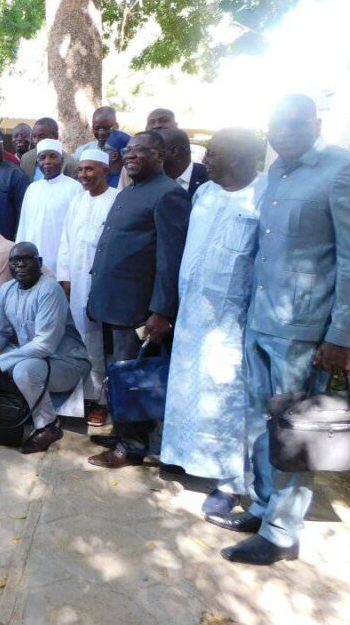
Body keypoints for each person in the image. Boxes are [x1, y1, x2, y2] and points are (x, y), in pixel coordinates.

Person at [211, 95, 350, 566]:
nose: (282, 133)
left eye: (292, 124)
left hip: (306, 330)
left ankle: (282, 533)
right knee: (258, 424)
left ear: (315, 123)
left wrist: (341, 335)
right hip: (260, 321)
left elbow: (349, 260)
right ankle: (264, 507)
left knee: (297, 431)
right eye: (274, 126)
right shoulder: (272, 175)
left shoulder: (340, 170)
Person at [160, 128, 262, 516]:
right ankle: (183, 456)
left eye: (214, 153)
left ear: (236, 158)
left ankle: (230, 482)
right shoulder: (204, 192)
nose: (206, 160)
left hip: (231, 323)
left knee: (226, 401)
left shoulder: (262, 197)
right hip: (191, 316)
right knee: (187, 390)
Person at [87, 130, 191, 469]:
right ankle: (122, 431)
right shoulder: (130, 191)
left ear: (160, 155)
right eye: (128, 150)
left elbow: (169, 259)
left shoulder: (168, 195)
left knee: (131, 375)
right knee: (117, 373)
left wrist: (161, 310)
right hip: (111, 300)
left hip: (136, 307)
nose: (130, 155)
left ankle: (132, 446)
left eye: (140, 150)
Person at [0, 242, 92, 454]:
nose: (20, 264)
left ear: (39, 263)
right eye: (14, 260)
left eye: (26, 259)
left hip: (66, 363)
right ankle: (26, 404)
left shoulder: (50, 290)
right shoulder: (6, 291)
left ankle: (49, 426)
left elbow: (45, 345)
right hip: (37, 358)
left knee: (22, 369)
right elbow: (2, 333)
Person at [56, 149, 119, 426]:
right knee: (75, 340)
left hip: (103, 285)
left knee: (100, 345)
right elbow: (66, 242)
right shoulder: (77, 201)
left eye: (89, 170)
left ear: (105, 171)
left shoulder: (117, 200)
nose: (82, 175)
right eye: (80, 170)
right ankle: (76, 399)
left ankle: (101, 402)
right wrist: (64, 277)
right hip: (76, 285)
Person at [15, 139, 83, 275]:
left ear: (62, 160)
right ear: (37, 162)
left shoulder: (75, 188)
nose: (47, 161)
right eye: (42, 157)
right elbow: (23, 226)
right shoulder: (32, 188)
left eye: (53, 156)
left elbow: (77, 231)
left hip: (61, 262)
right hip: (31, 261)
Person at [161, 127, 209, 197]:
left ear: (174, 151)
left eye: (156, 151)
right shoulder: (152, 179)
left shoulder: (209, 178)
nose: (150, 156)